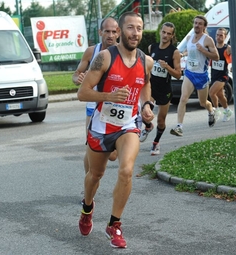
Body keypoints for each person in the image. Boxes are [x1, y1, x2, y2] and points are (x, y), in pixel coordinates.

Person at [77, 12, 154, 249]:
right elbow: (83, 92)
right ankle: (87, 208)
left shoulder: (146, 61)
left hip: (128, 125)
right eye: (130, 28)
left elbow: (146, 84)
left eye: (139, 28)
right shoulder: (104, 58)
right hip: (101, 127)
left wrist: (146, 105)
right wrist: (108, 96)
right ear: (120, 32)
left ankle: (114, 224)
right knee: (95, 176)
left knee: (126, 170)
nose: (136, 33)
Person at [72, 17, 119, 174]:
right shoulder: (92, 51)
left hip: (115, 106)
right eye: (107, 31)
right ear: (100, 32)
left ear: (118, 32)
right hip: (93, 106)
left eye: (113, 31)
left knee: (112, 156)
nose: (110, 35)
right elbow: (76, 74)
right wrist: (77, 79)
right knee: (91, 148)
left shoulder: (123, 52)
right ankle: (88, 186)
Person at [170, 15, 219, 136]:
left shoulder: (207, 40)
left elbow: (216, 57)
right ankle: (179, 127)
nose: (197, 25)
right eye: (195, 23)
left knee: (203, 102)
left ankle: (211, 111)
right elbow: (190, 50)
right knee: (183, 98)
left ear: (204, 26)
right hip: (189, 73)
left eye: (200, 23)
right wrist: (183, 54)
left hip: (201, 75)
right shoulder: (189, 38)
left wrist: (203, 50)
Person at [139, 22, 182, 155]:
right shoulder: (152, 47)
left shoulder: (174, 52)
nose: (165, 35)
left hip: (165, 90)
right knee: (144, 113)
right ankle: (147, 127)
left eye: (169, 33)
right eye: (164, 32)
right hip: (151, 87)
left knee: (161, 120)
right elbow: (146, 65)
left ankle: (156, 143)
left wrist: (167, 68)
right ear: (160, 32)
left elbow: (179, 74)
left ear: (172, 35)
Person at [208, 27, 234, 122]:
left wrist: (233, 65)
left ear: (225, 36)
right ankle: (227, 111)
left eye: (221, 35)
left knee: (211, 92)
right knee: (220, 95)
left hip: (223, 75)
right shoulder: (213, 48)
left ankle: (216, 109)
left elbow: (235, 55)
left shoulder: (227, 48)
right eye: (217, 35)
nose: (218, 37)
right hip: (214, 74)